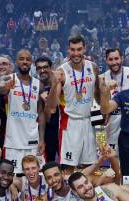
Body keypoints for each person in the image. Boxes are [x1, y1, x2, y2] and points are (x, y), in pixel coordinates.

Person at [46, 35, 101, 168]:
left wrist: (100, 125)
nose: (76, 53)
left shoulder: (93, 67)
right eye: (72, 50)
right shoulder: (62, 71)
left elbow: (97, 97)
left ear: (85, 49)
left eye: (79, 49)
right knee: (69, 168)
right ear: (68, 50)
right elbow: (52, 106)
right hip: (70, 124)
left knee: (91, 167)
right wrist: (54, 84)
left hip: (89, 122)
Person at [0, 49, 45, 174]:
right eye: (21, 59)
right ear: (16, 61)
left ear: (31, 62)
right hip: (13, 140)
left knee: (33, 174)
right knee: (12, 176)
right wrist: (6, 88)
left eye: (28, 59)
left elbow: (41, 113)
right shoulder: (8, 78)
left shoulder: (38, 84)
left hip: (32, 139)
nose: (25, 62)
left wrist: (42, 139)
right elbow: (0, 88)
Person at [101, 48, 129, 154]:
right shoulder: (102, 78)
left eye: (116, 58)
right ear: (106, 60)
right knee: (114, 157)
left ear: (122, 58)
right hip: (112, 123)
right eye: (110, 59)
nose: (114, 62)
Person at [35, 56, 60, 162]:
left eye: (45, 67)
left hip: (61, 128)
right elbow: (44, 113)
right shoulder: (37, 86)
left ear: (51, 67)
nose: (42, 70)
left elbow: (53, 108)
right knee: (48, 162)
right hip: (47, 129)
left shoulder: (59, 82)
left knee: (66, 163)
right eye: (39, 68)